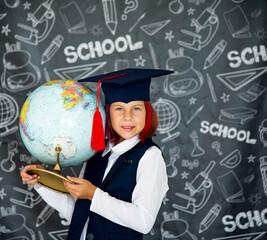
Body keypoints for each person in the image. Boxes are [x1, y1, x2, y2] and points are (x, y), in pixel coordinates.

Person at [20, 68, 173, 240]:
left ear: (147, 113)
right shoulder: (97, 153)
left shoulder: (150, 156)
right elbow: (79, 214)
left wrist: (93, 194)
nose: (128, 117)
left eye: (136, 108)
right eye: (119, 109)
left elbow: (143, 220)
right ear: (108, 113)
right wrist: (41, 181)